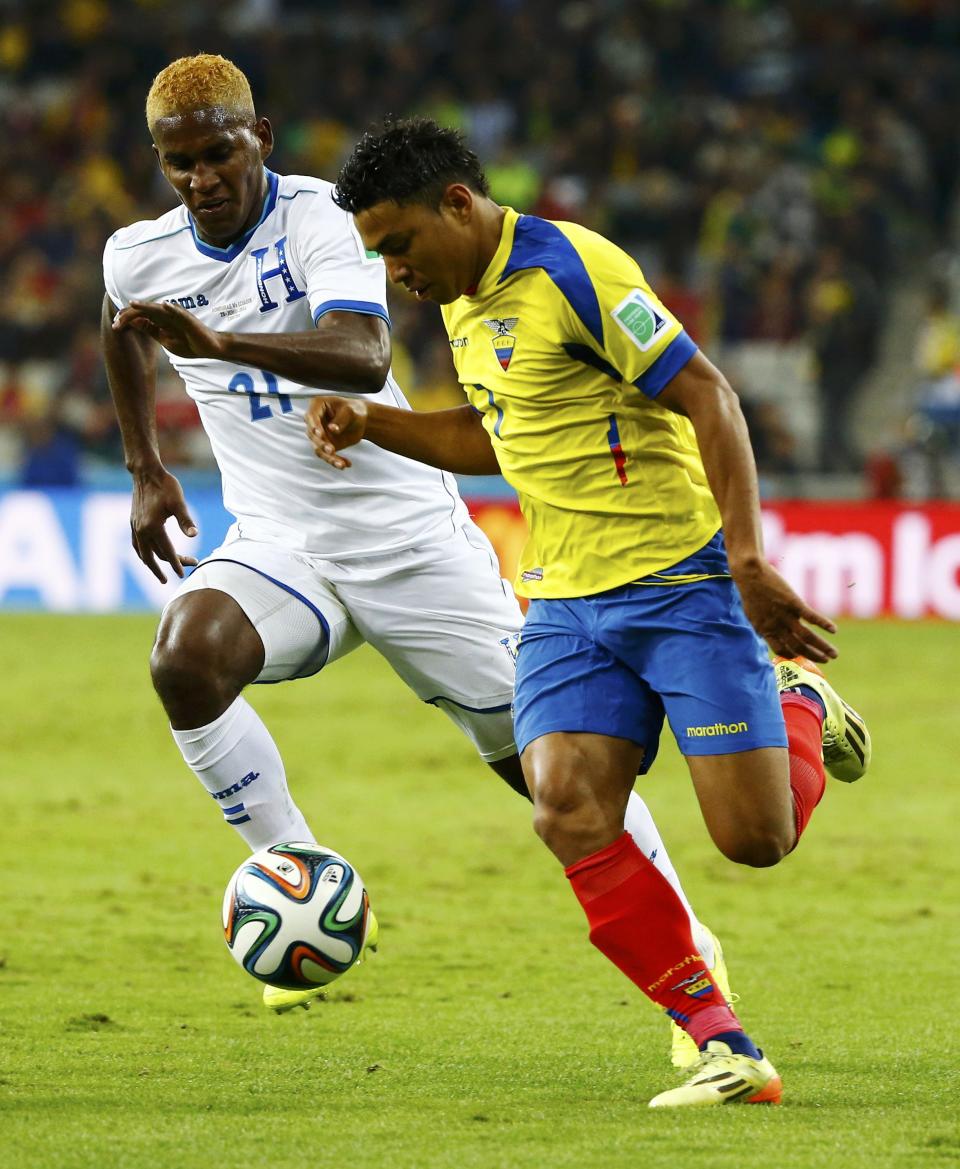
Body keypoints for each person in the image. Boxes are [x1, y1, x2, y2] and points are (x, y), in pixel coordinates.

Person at [101, 56, 726, 1054]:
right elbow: (123, 333)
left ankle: (694, 961)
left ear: (259, 133)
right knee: (186, 656)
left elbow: (363, 354)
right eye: (180, 164)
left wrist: (219, 342)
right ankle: (301, 874)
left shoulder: (319, 221)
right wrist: (145, 465)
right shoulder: (137, 254)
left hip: (409, 544)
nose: (201, 178)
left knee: (551, 772)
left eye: (218, 153)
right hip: (281, 546)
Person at [310, 117, 873, 1108]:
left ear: (456, 204)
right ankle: (721, 1041)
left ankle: (805, 709)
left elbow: (712, 398)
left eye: (399, 245)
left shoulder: (574, 269)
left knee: (755, 839)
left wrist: (746, 561)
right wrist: (374, 420)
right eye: (379, 254)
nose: (395, 272)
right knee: (565, 808)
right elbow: (505, 435)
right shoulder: (459, 300)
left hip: (680, 584)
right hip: (567, 603)